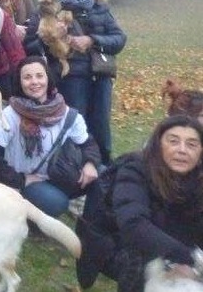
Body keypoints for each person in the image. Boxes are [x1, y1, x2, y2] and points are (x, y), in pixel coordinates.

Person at [75, 115, 203, 292]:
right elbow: (133, 225)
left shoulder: (198, 176)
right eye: (173, 141)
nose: (182, 150)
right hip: (116, 243)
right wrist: (190, 258)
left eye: (191, 144)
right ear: (158, 145)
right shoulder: (135, 168)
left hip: (170, 245)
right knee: (141, 263)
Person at [24, 0, 126, 166]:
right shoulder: (46, 7)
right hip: (68, 78)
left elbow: (119, 39)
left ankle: (104, 176)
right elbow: (30, 46)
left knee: (101, 129)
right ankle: (74, 180)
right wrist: (49, 37)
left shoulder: (98, 6)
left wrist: (92, 40)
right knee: (74, 130)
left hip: (100, 76)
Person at [0, 56, 101, 217]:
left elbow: (88, 144)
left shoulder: (64, 111)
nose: (34, 82)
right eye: (27, 77)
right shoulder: (11, 114)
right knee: (57, 203)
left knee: (102, 172)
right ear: (20, 82)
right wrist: (19, 179)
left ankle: (86, 210)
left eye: (39, 75)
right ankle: (23, 208)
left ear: (47, 78)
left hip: (58, 173)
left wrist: (90, 164)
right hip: (28, 180)